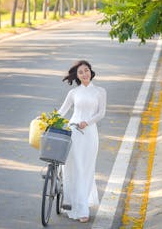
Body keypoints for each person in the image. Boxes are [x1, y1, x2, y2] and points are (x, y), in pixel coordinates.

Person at [57, 60, 107, 223]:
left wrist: (88, 122)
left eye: (86, 70)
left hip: (90, 134)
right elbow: (62, 111)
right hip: (74, 133)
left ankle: (82, 204)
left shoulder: (100, 91)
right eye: (81, 72)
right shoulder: (74, 93)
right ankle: (79, 208)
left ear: (91, 72)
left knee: (86, 169)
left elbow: (101, 113)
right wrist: (46, 120)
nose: (84, 74)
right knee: (74, 169)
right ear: (77, 76)